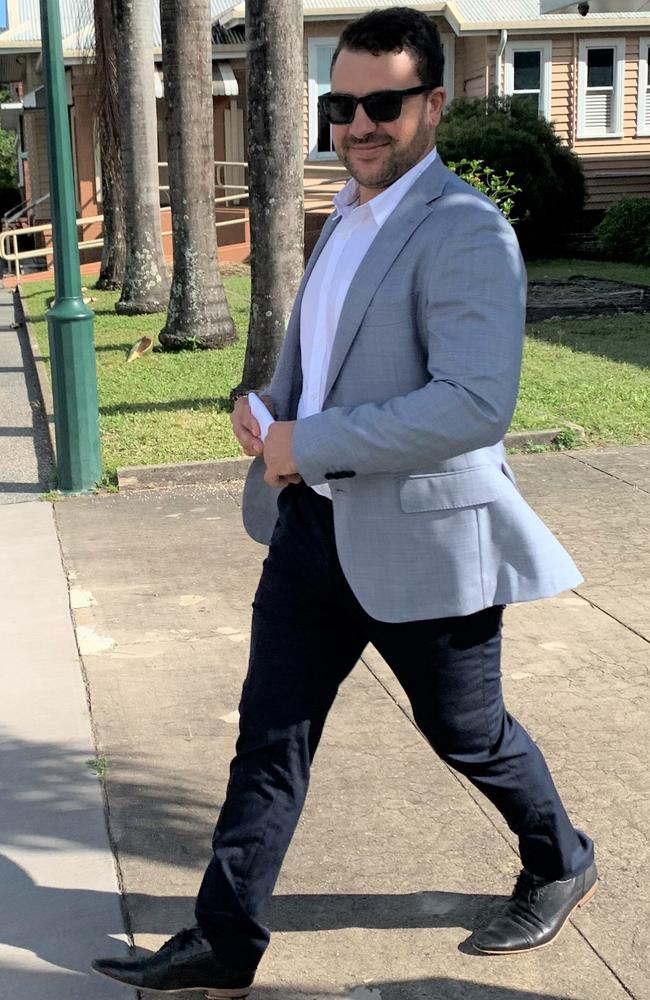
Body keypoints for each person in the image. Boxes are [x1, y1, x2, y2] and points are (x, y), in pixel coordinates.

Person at [93, 7, 596, 996]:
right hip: (310, 530)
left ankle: (560, 857)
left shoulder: (464, 230)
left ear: (432, 104)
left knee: (467, 732)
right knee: (268, 733)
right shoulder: (343, 215)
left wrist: (306, 439)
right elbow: (318, 368)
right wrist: (268, 408)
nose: (358, 124)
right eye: (342, 104)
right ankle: (223, 938)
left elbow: (471, 402)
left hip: (422, 544)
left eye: (382, 104)